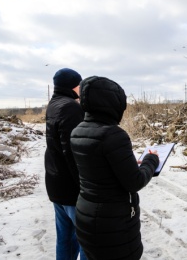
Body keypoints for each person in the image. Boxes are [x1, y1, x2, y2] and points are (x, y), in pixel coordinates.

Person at [70, 76, 159, 260]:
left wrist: (127, 163)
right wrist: (151, 160)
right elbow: (134, 182)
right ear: (112, 103)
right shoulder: (113, 135)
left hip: (86, 214)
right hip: (112, 224)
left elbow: (101, 168)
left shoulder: (77, 131)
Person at [44, 68, 87, 260]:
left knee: (65, 239)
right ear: (74, 86)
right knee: (87, 240)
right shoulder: (70, 107)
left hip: (56, 183)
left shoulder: (54, 104)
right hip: (71, 188)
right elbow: (72, 151)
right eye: (80, 84)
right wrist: (84, 186)